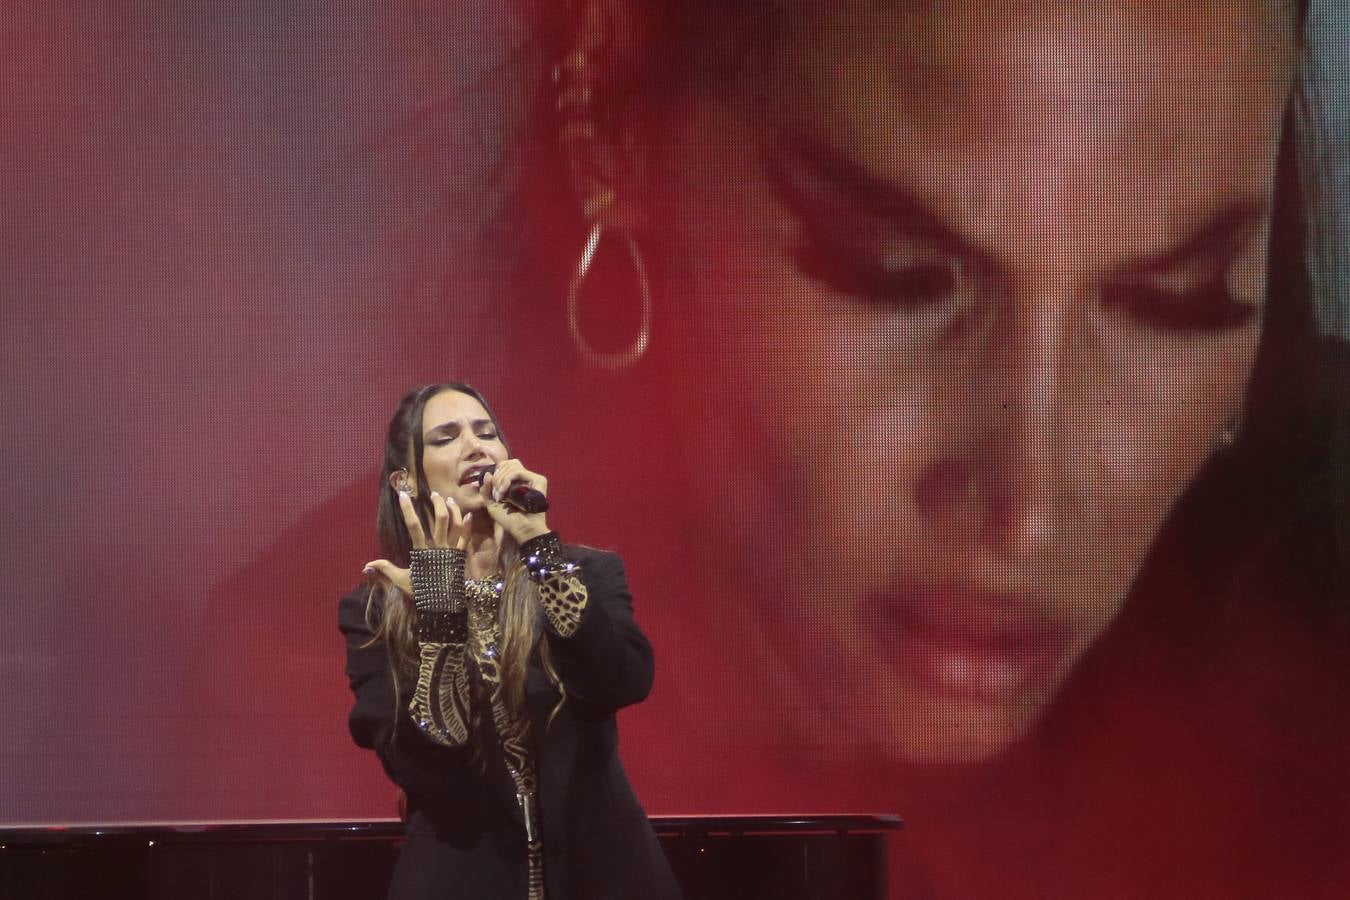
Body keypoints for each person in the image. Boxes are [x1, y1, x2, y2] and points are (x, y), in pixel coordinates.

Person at [338, 381, 681, 900]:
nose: (477, 446)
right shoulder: (375, 612)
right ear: (405, 481)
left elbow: (620, 681)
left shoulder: (585, 571)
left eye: (487, 432)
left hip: (603, 873)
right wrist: (439, 611)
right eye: (446, 437)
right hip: (462, 877)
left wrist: (540, 547)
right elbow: (426, 768)